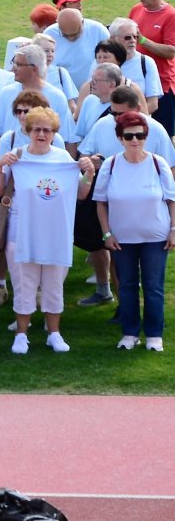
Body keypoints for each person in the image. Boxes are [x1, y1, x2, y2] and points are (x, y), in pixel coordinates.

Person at [0, 105, 94, 354]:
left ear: (54, 133)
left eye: (47, 130)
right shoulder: (17, 157)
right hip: (21, 230)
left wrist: (88, 175)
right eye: (37, 129)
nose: (42, 134)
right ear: (28, 131)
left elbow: (81, 193)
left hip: (55, 232)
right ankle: (21, 335)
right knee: (23, 283)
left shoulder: (63, 159)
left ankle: (54, 333)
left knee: (53, 285)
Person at [93, 110, 175, 350]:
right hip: (122, 239)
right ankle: (129, 333)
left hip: (155, 238)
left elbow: (172, 200)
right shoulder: (111, 164)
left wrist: (173, 229)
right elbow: (100, 203)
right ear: (120, 138)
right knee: (127, 285)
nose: (134, 141)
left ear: (145, 137)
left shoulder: (158, 164)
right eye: (129, 136)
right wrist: (106, 233)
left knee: (153, 286)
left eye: (139, 135)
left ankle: (154, 335)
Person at [131, 0, 175, 136]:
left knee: (162, 134)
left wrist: (142, 39)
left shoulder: (170, 15)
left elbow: (171, 51)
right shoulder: (136, 9)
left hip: (162, 86)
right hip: (137, 83)